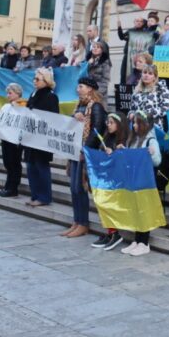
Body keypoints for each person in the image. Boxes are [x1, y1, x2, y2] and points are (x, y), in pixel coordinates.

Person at [90, 111, 139, 252]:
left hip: (118, 181)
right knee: (102, 205)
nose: (108, 125)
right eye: (107, 122)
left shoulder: (125, 139)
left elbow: (128, 159)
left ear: (119, 124)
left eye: (112, 123)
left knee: (110, 206)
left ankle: (115, 234)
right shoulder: (106, 138)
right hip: (105, 178)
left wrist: (116, 154)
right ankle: (109, 232)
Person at [116, 111, 162, 256]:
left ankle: (144, 242)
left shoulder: (151, 141)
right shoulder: (133, 140)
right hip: (134, 183)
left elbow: (157, 161)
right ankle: (136, 240)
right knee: (136, 211)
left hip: (145, 184)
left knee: (144, 211)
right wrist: (124, 151)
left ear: (144, 125)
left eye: (136, 123)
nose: (134, 125)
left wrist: (151, 153)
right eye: (133, 122)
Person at [65, 77, 107, 239]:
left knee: (80, 187)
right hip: (75, 150)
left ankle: (83, 223)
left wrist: (86, 150)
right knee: (74, 188)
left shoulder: (96, 107)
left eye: (81, 86)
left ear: (90, 89)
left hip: (85, 152)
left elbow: (97, 130)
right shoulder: (79, 105)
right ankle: (77, 221)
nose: (78, 89)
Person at [25, 68, 59, 208]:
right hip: (30, 136)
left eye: (37, 79)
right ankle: (35, 195)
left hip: (43, 138)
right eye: (34, 78)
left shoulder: (51, 96)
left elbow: (53, 117)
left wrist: (37, 117)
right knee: (30, 166)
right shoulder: (34, 94)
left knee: (41, 166)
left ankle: (44, 197)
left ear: (46, 81)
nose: (34, 81)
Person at [0, 82, 26, 198]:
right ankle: (7, 186)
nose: (8, 95)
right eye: (7, 93)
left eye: (10, 93)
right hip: (5, 138)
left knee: (14, 163)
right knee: (7, 162)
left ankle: (13, 188)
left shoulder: (23, 106)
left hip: (16, 139)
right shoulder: (5, 107)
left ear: (18, 94)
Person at [128, 63, 169, 131]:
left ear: (155, 77)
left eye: (150, 73)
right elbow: (132, 108)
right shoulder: (136, 90)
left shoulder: (161, 89)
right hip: (138, 126)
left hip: (154, 126)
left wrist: (147, 114)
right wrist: (131, 114)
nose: (146, 75)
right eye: (145, 72)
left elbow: (166, 108)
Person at [117, 15, 149, 80]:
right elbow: (121, 37)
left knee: (135, 74)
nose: (139, 22)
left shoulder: (145, 32)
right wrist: (119, 27)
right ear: (134, 22)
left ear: (143, 23)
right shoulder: (130, 30)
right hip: (127, 55)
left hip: (138, 56)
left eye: (141, 21)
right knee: (123, 73)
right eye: (137, 21)